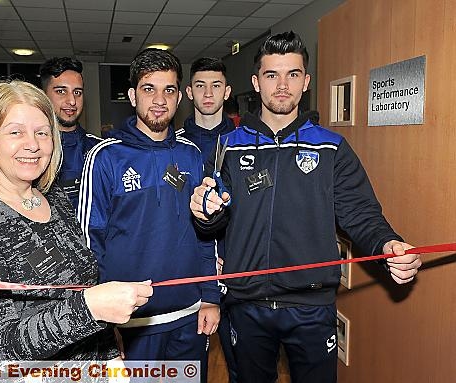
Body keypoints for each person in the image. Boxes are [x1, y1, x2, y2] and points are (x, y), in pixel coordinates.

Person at [189, 31, 422, 383]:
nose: (282, 85)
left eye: (292, 74)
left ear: (306, 81)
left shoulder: (332, 148)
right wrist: (205, 212)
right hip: (246, 304)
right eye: (272, 75)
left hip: (311, 307)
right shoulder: (227, 148)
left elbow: (360, 213)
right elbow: (212, 224)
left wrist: (387, 244)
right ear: (256, 82)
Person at [0, 80, 153, 360]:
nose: (33, 145)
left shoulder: (55, 198)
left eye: (42, 133)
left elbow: (84, 286)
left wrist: (109, 353)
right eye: (16, 132)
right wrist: (89, 309)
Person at [77, 48, 221, 382]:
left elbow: (205, 233)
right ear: (132, 96)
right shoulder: (105, 157)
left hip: (189, 315)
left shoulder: (191, 154)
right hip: (131, 322)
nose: (159, 99)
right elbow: (89, 242)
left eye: (169, 90)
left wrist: (210, 298)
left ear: (178, 97)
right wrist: (98, 320)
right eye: (149, 89)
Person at [178, 56, 238, 383]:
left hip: (237, 266)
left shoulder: (246, 142)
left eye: (216, 85)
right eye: (200, 86)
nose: (208, 93)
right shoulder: (174, 144)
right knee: (190, 370)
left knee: (244, 364)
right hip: (191, 270)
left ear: (227, 91)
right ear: (189, 92)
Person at [39, 57, 101, 209]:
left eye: (77, 92)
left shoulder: (99, 150)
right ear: (43, 96)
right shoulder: (31, 152)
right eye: (61, 91)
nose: (72, 101)